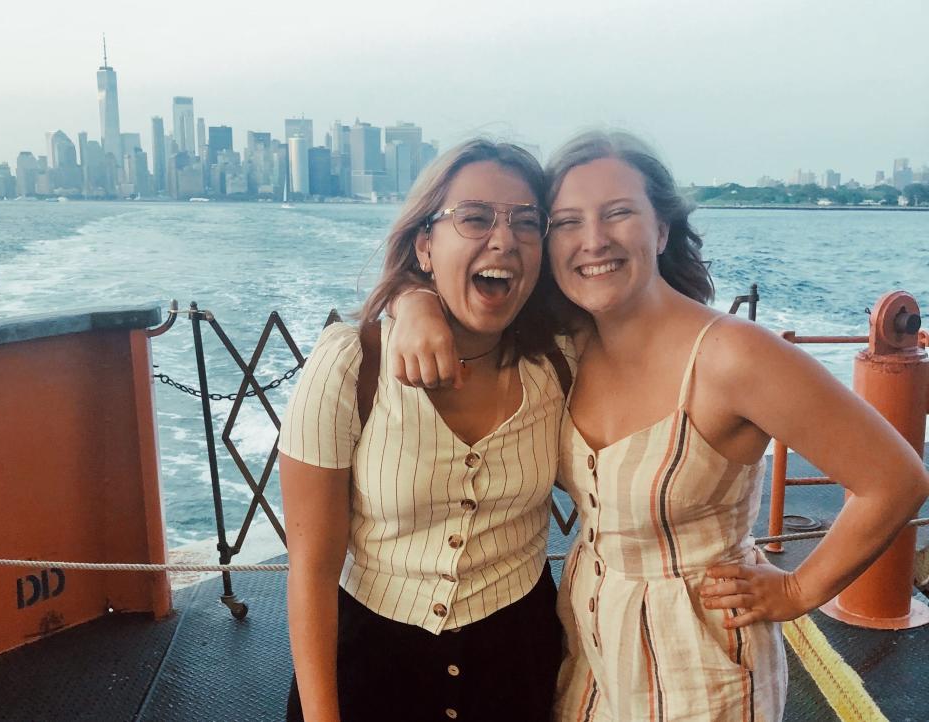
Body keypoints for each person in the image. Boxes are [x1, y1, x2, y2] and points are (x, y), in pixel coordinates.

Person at [389, 130, 929, 721]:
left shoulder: (731, 357)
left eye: (618, 213)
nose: (593, 240)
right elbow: (468, 289)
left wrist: (798, 591)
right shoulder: (566, 347)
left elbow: (894, 478)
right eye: (567, 222)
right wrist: (414, 303)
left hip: (698, 667)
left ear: (661, 228)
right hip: (587, 655)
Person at [278, 139, 574, 722]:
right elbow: (310, 570)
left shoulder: (561, 363)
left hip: (518, 665)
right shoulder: (351, 363)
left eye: (527, 223)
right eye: (474, 217)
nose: (503, 239)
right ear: (425, 244)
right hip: (371, 668)